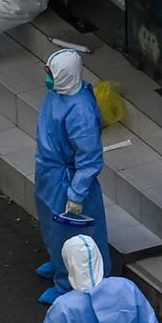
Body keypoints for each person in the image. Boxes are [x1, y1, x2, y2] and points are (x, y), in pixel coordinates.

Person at [33, 48, 110, 305]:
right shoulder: (59, 92)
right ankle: (59, 263)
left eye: (51, 73)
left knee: (71, 232)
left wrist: (76, 193)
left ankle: (68, 283)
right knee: (52, 224)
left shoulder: (81, 112)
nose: (48, 78)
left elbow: (90, 159)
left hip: (67, 178)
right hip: (50, 170)